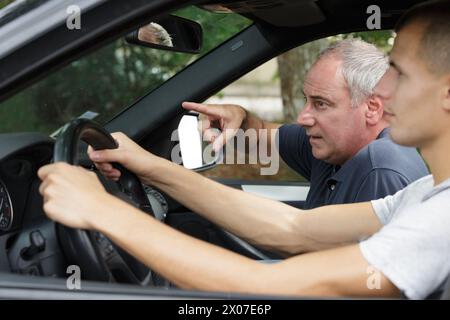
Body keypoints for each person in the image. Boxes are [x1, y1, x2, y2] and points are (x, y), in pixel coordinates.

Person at [38, 0, 450, 299]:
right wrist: (147, 165)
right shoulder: (423, 196)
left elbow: (271, 288)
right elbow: (294, 229)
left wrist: (105, 211)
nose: (380, 89)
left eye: (398, 70)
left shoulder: (441, 221)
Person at [182, 39, 428, 209]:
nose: (303, 118)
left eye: (321, 104)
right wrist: (239, 115)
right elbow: (261, 139)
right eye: (306, 100)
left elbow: (363, 280)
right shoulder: (331, 147)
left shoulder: (380, 169)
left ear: (372, 108)